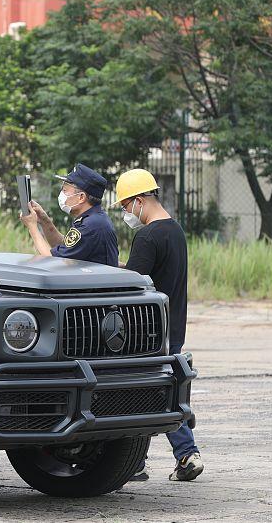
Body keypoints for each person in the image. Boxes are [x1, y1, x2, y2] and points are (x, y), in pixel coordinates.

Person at [114, 169, 203, 483]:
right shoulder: (175, 230)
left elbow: (133, 283)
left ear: (139, 200)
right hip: (173, 325)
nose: (126, 214)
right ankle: (181, 454)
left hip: (147, 333)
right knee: (160, 390)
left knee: (141, 394)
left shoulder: (148, 236)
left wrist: (109, 267)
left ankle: (141, 460)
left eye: (126, 207)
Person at [20, 164, 118, 267]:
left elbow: (53, 260)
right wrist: (45, 221)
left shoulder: (90, 226)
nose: (61, 194)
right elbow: (66, 248)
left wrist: (32, 227)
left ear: (81, 197)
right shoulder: (93, 219)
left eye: (65, 190)